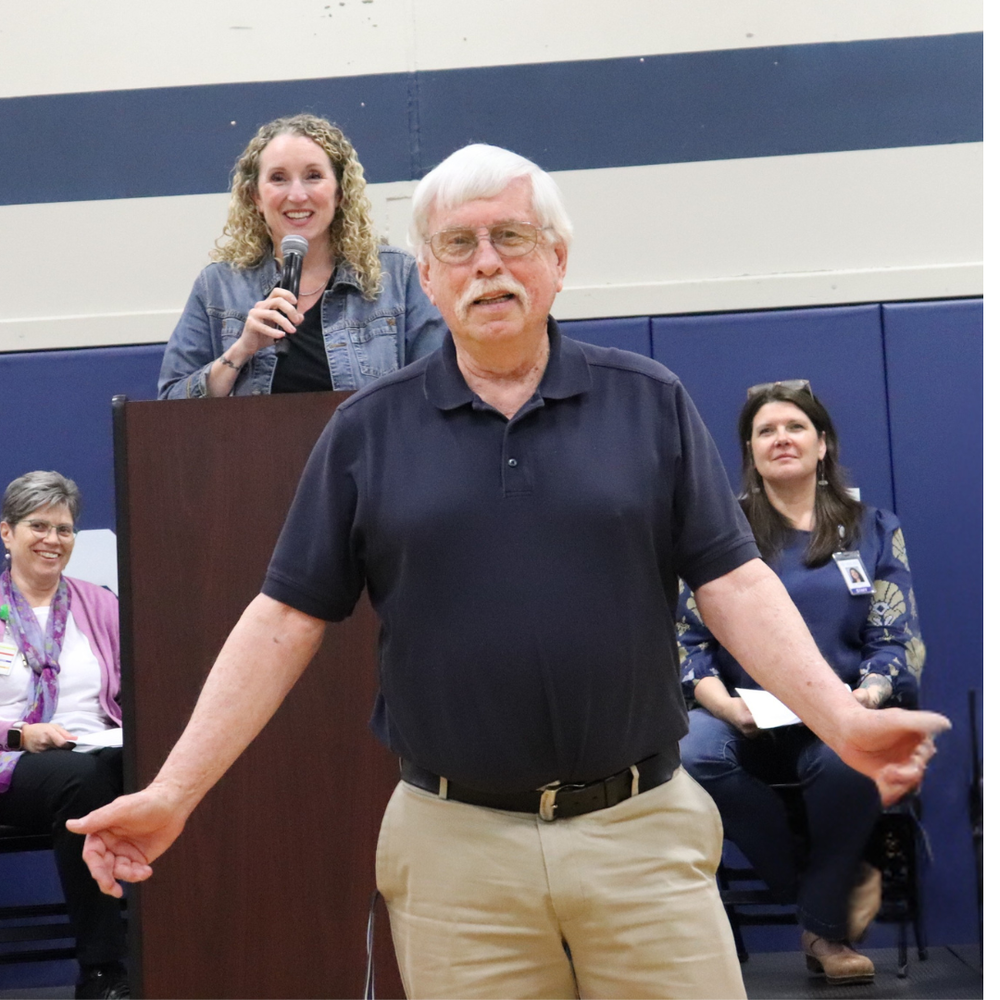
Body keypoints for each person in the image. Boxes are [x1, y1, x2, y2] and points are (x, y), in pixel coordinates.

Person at [70, 146, 947, 1000]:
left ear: (558, 260)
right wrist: (172, 793)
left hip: (642, 832)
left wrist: (841, 722)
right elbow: (282, 620)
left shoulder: (649, 401)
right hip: (452, 851)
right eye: (457, 244)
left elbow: (736, 585)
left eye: (512, 237)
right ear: (428, 278)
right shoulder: (366, 431)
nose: (486, 263)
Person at [677, 380, 925, 984]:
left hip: (840, 710)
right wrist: (726, 706)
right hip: (742, 715)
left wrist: (862, 699)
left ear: (823, 444)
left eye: (795, 427)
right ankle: (817, 894)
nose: (781, 438)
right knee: (691, 753)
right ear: (750, 450)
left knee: (852, 759)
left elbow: (894, 638)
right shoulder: (718, 531)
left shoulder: (873, 527)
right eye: (765, 431)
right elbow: (688, 643)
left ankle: (825, 934)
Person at [157, 113, 446, 399]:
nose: (297, 195)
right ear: (256, 197)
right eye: (278, 178)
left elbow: (439, 388)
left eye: (313, 176)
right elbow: (170, 405)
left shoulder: (397, 276)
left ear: (340, 193)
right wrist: (241, 350)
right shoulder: (217, 286)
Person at [0, 472, 127, 1000]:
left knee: (157, 774)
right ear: (6, 533)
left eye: (65, 529)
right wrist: (19, 734)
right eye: (38, 526)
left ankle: (190, 954)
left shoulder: (100, 604)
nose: (53, 539)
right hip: (13, 763)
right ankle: (103, 972)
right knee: (85, 780)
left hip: (99, 751)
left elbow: (139, 684)